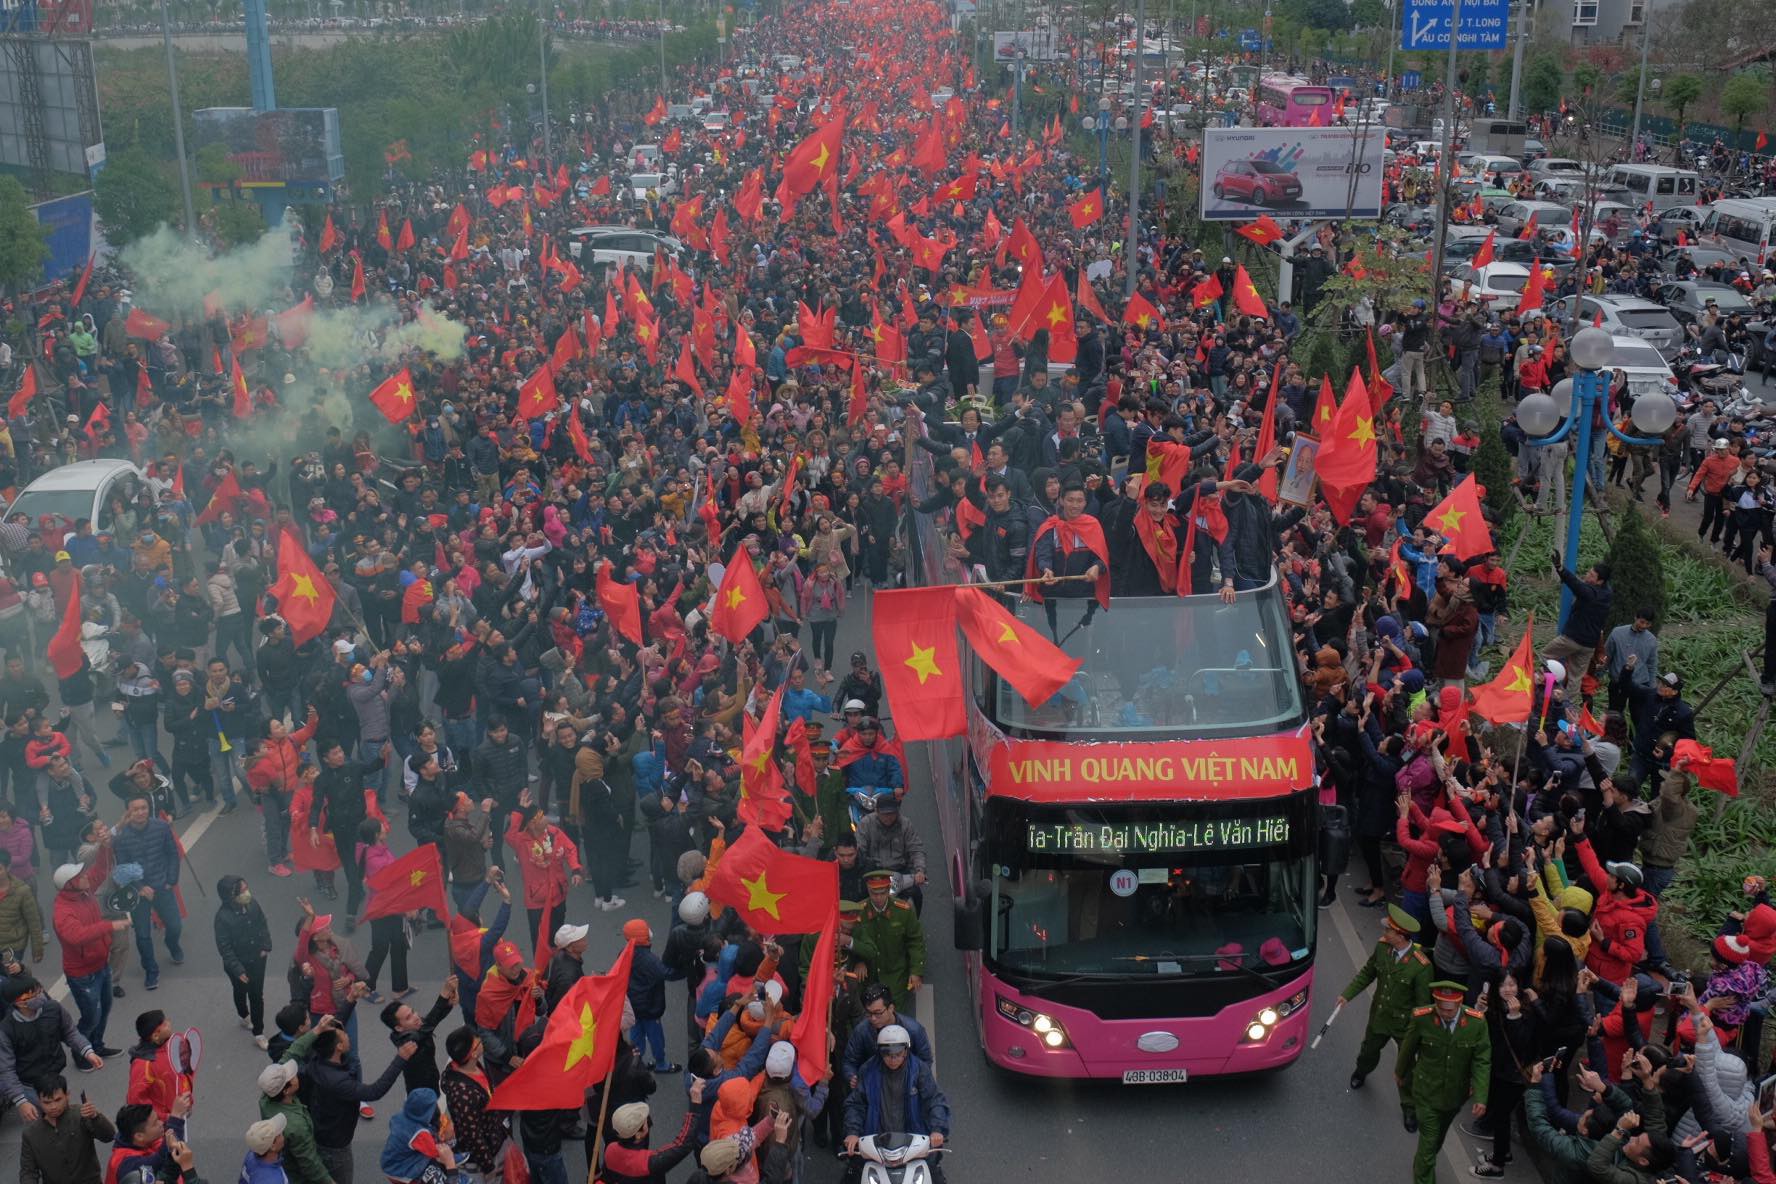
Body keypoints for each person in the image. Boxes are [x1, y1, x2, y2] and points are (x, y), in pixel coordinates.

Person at [1396, 981, 1490, 1184]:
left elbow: (1482, 1061)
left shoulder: (1476, 1023)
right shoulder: (1422, 1018)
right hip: (1426, 1092)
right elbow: (1407, 1049)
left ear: (1459, 1004)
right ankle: (1423, 1175)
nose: (1445, 1014)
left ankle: (1422, 1163)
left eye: (1450, 1010)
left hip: (1455, 1096)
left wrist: (1481, 1097)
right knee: (1429, 1141)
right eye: (1441, 1009)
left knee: (1436, 1140)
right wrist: (1400, 1072)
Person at [304, 1019, 415, 1184]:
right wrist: (401, 1058)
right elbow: (374, 1091)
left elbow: (331, 1030)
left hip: (322, 1131)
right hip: (336, 1146)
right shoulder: (339, 1082)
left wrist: (348, 1005)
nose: (347, 1035)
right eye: (343, 1035)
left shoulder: (316, 1059)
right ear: (338, 1047)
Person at [1341, 905, 1432, 1095]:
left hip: (1404, 1025)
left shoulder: (1421, 966)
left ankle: (1409, 1102)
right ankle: (1361, 1072)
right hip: (1380, 1016)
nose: (1384, 932)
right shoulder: (1383, 948)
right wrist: (1347, 995)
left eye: (1388, 930)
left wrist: (1418, 1033)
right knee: (1368, 1051)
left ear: (1400, 936)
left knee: (1407, 1065)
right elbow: (1368, 973)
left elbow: (1422, 1004)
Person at [843, 1024, 948, 1182]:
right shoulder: (868, 1070)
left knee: (935, 1177)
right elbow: (856, 1104)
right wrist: (852, 1132)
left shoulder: (919, 1070)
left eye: (897, 1054)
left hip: (913, 1144)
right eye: (887, 1054)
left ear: (906, 1050)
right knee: (851, 1177)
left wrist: (937, 1130)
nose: (892, 1059)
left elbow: (935, 1100)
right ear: (879, 1051)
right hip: (876, 1144)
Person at [50, 855, 128, 1057]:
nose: (86, 876)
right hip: (82, 974)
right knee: (91, 1017)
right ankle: (82, 1054)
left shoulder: (84, 891)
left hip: (101, 965)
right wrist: (109, 926)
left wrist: (105, 847)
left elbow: (100, 869)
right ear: (70, 884)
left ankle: (97, 1046)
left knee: (104, 1009)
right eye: (80, 875)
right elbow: (76, 936)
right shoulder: (62, 911)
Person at [0, 975, 104, 1121]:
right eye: (34, 994)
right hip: (30, 1086)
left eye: (39, 990)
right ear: (20, 1003)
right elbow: (6, 1069)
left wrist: (87, 1051)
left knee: (63, 1117)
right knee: (41, 1123)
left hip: (55, 1076)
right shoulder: (6, 1030)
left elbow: (70, 1032)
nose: (40, 995)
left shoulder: (54, 1008)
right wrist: (21, 1101)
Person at [110, 791, 182, 991]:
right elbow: (123, 867)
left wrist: (171, 880)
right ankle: (151, 969)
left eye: (144, 808)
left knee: (175, 926)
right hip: (138, 893)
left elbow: (172, 854)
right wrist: (140, 888)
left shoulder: (162, 827)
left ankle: (173, 944)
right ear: (128, 812)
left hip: (162, 886)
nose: (140, 812)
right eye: (136, 809)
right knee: (143, 934)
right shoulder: (122, 838)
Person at [20, 1073, 115, 1184]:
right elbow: (28, 1171)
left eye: (58, 1100)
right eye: (47, 1102)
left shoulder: (81, 1115)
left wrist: (95, 1117)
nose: (53, 1106)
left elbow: (109, 1136)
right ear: (38, 1100)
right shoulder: (31, 1134)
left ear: (67, 1095)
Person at [853, 870, 925, 1014]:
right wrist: (858, 961)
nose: (878, 898)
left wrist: (916, 971)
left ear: (889, 889)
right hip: (868, 976)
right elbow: (852, 941)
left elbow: (915, 941)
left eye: (882, 893)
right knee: (870, 1016)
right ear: (868, 890)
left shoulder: (903, 911)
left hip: (895, 974)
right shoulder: (858, 912)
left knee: (895, 1016)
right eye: (874, 893)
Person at [214, 874, 272, 1049]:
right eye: (243, 890)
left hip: (257, 959)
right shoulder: (222, 918)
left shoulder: (253, 904)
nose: (247, 892)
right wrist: (238, 970)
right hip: (238, 965)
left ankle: (258, 1033)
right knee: (240, 990)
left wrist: (266, 946)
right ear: (231, 895)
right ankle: (243, 1015)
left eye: (247, 888)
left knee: (256, 995)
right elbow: (225, 948)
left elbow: (262, 924)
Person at [380, 975, 459, 1095]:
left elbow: (431, 1021)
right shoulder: (409, 1041)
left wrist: (448, 1003)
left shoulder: (413, 1030)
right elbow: (429, 1024)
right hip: (422, 1092)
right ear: (399, 1028)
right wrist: (443, 994)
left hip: (428, 1081)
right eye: (408, 1017)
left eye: (412, 1011)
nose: (416, 1016)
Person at [257, 1057, 330, 1184]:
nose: (295, 1075)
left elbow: (290, 1054)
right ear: (286, 1090)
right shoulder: (296, 1126)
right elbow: (309, 1163)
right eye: (292, 1077)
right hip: (296, 1175)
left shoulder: (266, 1098)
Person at [853, 797, 926, 914]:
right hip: (873, 871)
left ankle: (913, 922)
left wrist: (920, 871)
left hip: (899, 870)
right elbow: (859, 849)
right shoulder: (866, 823)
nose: (888, 817)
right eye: (884, 814)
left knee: (916, 895)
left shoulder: (905, 824)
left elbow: (916, 849)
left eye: (891, 813)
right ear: (877, 811)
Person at [622, 918, 677, 1074]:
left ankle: (637, 1063)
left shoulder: (624, 954)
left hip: (632, 1005)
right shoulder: (650, 960)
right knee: (656, 1037)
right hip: (650, 1006)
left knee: (636, 1035)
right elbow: (666, 973)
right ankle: (661, 1064)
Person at [602, 1101, 697, 1184]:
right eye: (645, 1122)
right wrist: (694, 1109)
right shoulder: (648, 1163)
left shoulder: (610, 1149)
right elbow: (682, 1145)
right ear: (638, 1135)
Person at [125, 1009, 193, 1120]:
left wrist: (187, 1102)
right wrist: (166, 1117)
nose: (169, 1023)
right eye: (165, 1024)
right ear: (156, 1036)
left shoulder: (170, 1047)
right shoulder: (143, 1065)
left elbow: (181, 1076)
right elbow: (136, 1102)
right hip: (163, 1123)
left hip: (178, 1113)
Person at [239, 1113, 290, 1184]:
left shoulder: (252, 1154)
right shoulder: (272, 1181)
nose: (283, 1134)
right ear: (273, 1146)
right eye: (280, 1134)